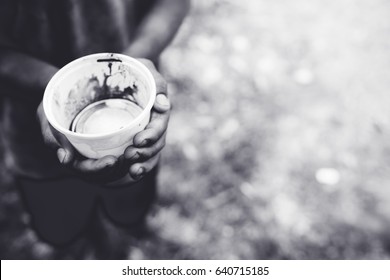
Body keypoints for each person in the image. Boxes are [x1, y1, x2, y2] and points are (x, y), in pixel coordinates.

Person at [0, 0, 190, 258]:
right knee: (59, 228)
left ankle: (126, 232)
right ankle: (78, 247)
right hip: (33, 140)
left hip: (133, 127)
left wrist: (135, 61)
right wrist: (51, 90)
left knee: (129, 206)